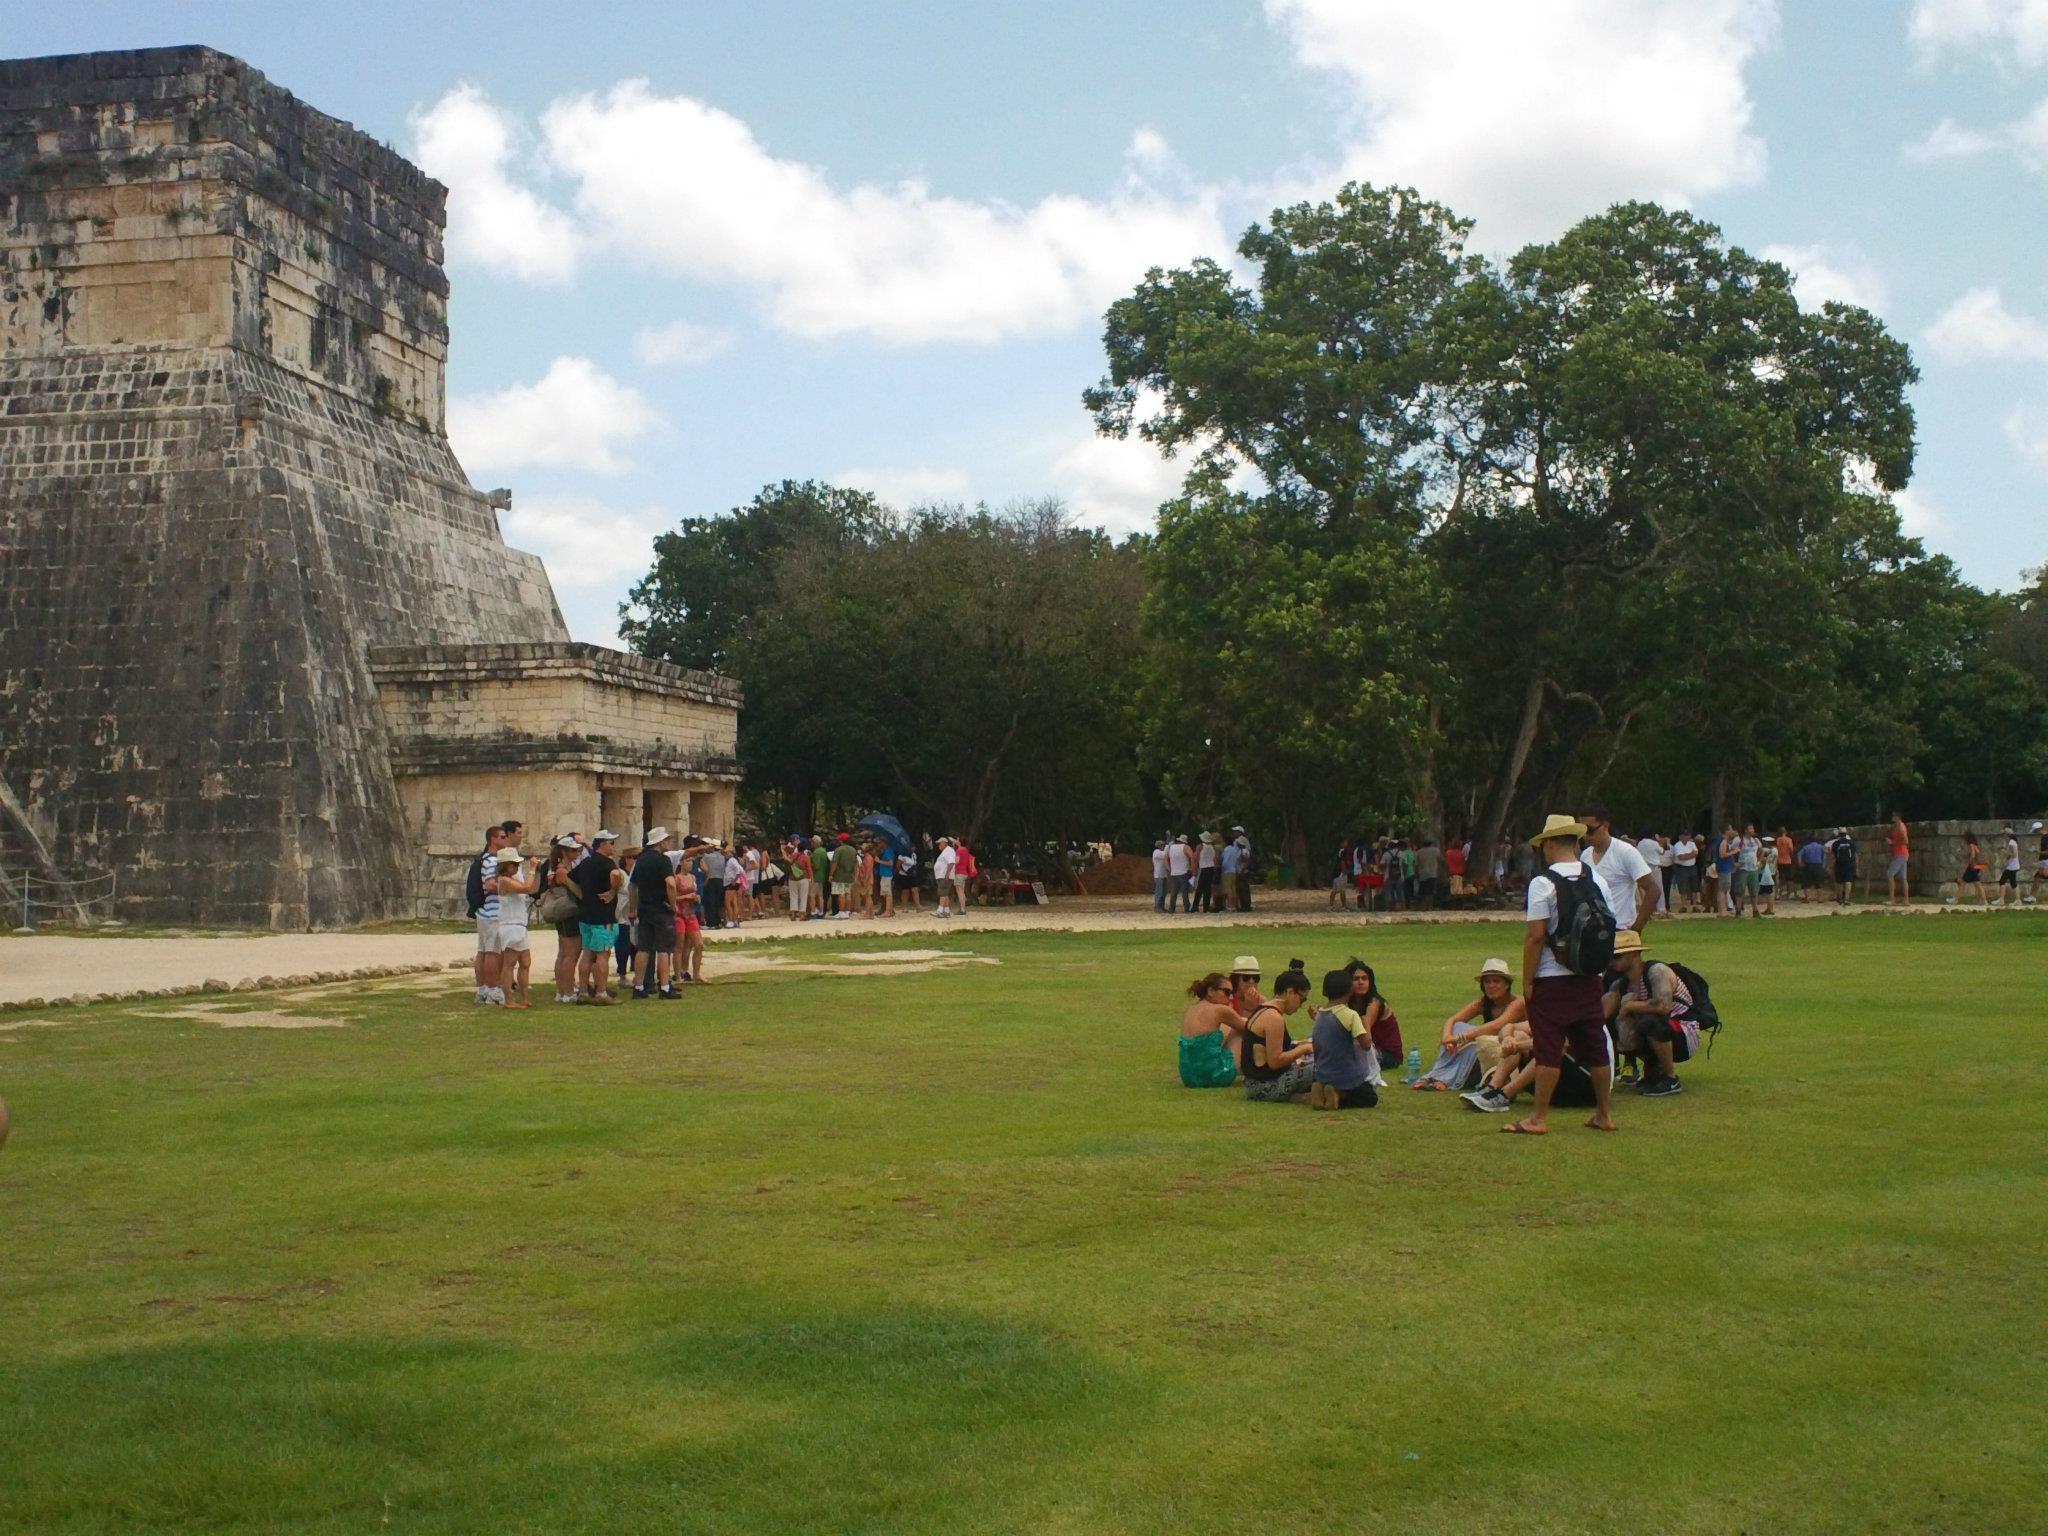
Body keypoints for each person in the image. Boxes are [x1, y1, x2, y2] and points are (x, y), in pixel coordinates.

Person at [1505, 813, 1618, 1135]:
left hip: (1553, 977)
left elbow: (1537, 935)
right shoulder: (1597, 879)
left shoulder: (1543, 883)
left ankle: (1538, 1118)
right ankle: (1604, 1113)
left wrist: (1527, 980)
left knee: (1548, 1046)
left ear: (1550, 844)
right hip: (1588, 975)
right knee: (1594, 1043)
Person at [1604, 930, 1700, 1097]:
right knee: (1616, 1023)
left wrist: (1630, 1006)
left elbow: (1663, 1007)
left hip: (1684, 1033)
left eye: (1617, 956)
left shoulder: (1656, 971)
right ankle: (1654, 1070)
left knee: (1650, 1021)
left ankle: (1671, 1078)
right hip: (1659, 1031)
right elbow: (1602, 1013)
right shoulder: (1621, 984)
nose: (1612, 962)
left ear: (1634, 954)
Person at [1416, 956, 1525, 1093]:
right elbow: (1453, 1020)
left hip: (1513, 1052)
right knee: (1459, 1027)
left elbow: (1498, 1026)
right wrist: (1447, 1038)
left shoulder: (1518, 1004)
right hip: (1489, 1049)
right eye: (1487, 982)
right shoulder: (1482, 1004)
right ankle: (1436, 1075)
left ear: (1507, 984)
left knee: (1477, 1042)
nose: (1491, 986)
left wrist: (1461, 1038)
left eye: (1496, 981)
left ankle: (1447, 1080)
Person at [1238, 966, 1315, 1102]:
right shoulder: (1274, 1018)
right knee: (1323, 1066)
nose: (1300, 1006)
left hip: (1255, 1084)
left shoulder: (1263, 1010)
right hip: (1265, 1087)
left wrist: (1300, 1044)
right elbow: (1275, 1061)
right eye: (1301, 1000)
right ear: (1290, 992)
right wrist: (1304, 1048)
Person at [1581, 805, 1658, 935]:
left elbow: (1653, 890)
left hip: (1620, 929)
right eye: (1582, 830)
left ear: (1605, 826)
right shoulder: (1585, 855)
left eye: (1590, 830)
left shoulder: (1625, 852)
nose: (1585, 835)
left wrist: (1636, 929)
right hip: (1593, 930)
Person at [1309, 969, 1380, 1110]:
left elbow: (1316, 1046)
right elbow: (1366, 1045)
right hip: (1346, 1075)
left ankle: (1322, 1088)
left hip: (1323, 1073)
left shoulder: (1320, 1016)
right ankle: (1338, 1095)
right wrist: (1365, 1024)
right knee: (1370, 1097)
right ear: (1350, 991)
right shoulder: (1350, 1015)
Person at [570, 831, 625, 1004]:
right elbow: (616, 875)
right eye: (611, 843)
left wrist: (582, 896)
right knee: (603, 953)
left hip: (586, 913)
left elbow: (570, 879)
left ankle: (584, 991)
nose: (613, 847)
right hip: (603, 915)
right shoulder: (607, 863)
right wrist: (613, 890)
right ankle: (601, 992)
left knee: (587, 952)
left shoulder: (586, 862)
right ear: (602, 844)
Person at [629, 827, 678, 1000]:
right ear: (660, 842)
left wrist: (632, 908)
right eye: (666, 840)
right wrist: (674, 905)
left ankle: (639, 985)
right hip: (661, 908)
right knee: (664, 949)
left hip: (644, 909)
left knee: (643, 948)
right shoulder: (663, 860)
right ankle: (664, 987)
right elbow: (671, 884)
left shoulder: (640, 860)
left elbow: (632, 885)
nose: (669, 843)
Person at [467, 821, 510, 1005]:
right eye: (502, 837)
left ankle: (483, 988)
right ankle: (493, 989)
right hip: (493, 912)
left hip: (483, 912)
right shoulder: (493, 860)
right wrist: (509, 885)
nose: (505, 839)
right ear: (493, 839)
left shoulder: (483, 859)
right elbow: (490, 884)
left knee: (483, 951)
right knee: (493, 952)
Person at [491, 846, 538, 1009]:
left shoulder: (512, 878)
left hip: (519, 925)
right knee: (509, 963)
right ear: (506, 865)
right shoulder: (504, 880)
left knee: (525, 962)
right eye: (514, 864)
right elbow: (526, 888)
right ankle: (509, 1000)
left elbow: (528, 887)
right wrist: (532, 869)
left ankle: (525, 997)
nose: (517, 867)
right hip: (510, 925)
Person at [1179, 973, 1241, 1087]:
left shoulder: (1192, 1009)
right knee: (1241, 1032)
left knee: (1229, 1028)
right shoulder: (1219, 1010)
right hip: (1212, 1077)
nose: (1231, 997)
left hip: (1188, 1077)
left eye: (1232, 993)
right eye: (1227, 992)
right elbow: (1251, 1026)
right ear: (1211, 991)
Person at [1343, 959, 1402, 1071]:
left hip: (1386, 1055)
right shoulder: (1349, 1001)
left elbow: (1362, 1031)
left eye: (1364, 978)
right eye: (1356, 979)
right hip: (1365, 1048)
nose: (1361, 982)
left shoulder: (1375, 1003)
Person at [546, 835, 585, 1003]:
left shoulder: (556, 867)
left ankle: (561, 991)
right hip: (569, 912)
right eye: (573, 850)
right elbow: (576, 891)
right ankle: (567, 991)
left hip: (563, 912)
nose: (577, 852)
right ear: (564, 851)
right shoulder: (562, 869)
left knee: (563, 953)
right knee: (570, 954)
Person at [1949, 830, 1990, 907]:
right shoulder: (1975, 845)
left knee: (1963, 883)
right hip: (1977, 866)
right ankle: (1984, 901)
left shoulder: (1971, 845)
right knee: (1978, 884)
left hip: (1972, 867)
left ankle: (1955, 900)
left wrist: (1970, 862)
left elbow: (1973, 855)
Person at [1733, 822, 1763, 920]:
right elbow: (1731, 851)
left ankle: (1755, 911)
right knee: (1740, 890)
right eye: (1750, 828)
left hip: (1753, 869)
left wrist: (1759, 861)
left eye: (1752, 828)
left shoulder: (1756, 840)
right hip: (1743, 869)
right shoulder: (1739, 840)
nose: (1752, 830)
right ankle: (1738, 911)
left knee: (1754, 891)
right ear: (1745, 830)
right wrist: (1735, 863)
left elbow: (1761, 850)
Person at [1670, 831, 1699, 914]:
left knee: (1694, 887)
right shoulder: (1677, 845)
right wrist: (1690, 854)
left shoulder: (1691, 843)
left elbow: (1696, 853)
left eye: (1688, 835)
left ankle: (1695, 906)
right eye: (1685, 835)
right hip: (1682, 868)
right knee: (1683, 887)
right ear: (1681, 836)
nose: (1687, 837)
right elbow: (1681, 857)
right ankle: (1683, 906)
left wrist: (1687, 855)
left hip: (1692, 867)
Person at [1886, 812, 1912, 906]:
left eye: (1893, 816)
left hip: (1901, 854)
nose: (1892, 817)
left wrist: (1892, 843)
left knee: (1890, 874)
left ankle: (1892, 899)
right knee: (1903, 878)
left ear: (1897, 817)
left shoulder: (1901, 827)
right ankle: (1906, 900)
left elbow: (1906, 841)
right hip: (1900, 854)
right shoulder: (1896, 826)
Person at [1828, 827, 1858, 906]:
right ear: (1846, 834)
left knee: (1839, 882)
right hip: (1850, 864)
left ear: (1839, 834)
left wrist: (1831, 865)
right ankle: (1847, 899)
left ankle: (1840, 899)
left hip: (1839, 864)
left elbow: (1833, 855)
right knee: (1848, 881)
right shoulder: (1851, 843)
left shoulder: (1836, 843)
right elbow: (1855, 855)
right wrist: (1856, 865)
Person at [1997, 826, 2024, 908]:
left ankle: (2015, 900)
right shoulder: (2012, 841)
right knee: (2007, 882)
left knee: (2008, 882)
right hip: (2012, 866)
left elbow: (2014, 854)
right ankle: (2003, 899)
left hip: (2012, 866)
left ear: (2007, 835)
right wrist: (2006, 853)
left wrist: (2004, 852)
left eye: (2004, 835)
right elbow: (2011, 854)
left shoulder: (2011, 842)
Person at [1194, 832, 1220, 913]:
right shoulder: (1213, 847)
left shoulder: (1200, 847)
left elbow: (1196, 858)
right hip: (1211, 868)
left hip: (1203, 868)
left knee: (1199, 888)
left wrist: (1195, 869)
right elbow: (1215, 859)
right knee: (1208, 889)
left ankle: (1195, 906)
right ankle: (1206, 907)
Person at [932, 837, 959, 917]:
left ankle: (940, 910)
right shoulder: (946, 851)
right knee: (945, 893)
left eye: (940, 843)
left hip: (944, 876)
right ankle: (946, 911)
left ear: (944, 843)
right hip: (942, 875)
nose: (938, 845)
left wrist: (947, 874)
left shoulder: (948, 851)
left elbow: (951, 863)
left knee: (942, 893)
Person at [1798, 833, 1827, 900]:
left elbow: (1799, 854)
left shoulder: (1806, 847)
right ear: (1817, 840)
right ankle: (1820, 898)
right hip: (1818, 865)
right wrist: (1823, 866)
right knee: (1819, 882)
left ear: (1809, 840)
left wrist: (1800, 863)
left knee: (1806, 883)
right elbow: (1824, 857)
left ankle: (1807, 897)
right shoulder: (1821, 847)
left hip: (1808, 865)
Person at [1232, 826, 1254, 911]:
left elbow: (1247, 857)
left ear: (1240, 832)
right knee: (1242, 888)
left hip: (1242, 869)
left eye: (1235, 831)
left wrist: (1242, 869)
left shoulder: (1241, 840)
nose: (1234, 833)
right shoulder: (1238, 841)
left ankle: (1245, 906)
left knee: (1243, 888)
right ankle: (1244, 906)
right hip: (1239, 868)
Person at [1219, 835, 1242, 912]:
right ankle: (1234, 906)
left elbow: (1225, 861)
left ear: (1225, 842)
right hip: (1233, 871)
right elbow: (1236, 862)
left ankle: (1229, 906)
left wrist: (1222, 868)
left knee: (1228, 890)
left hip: (1227, 872)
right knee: (1233, 889)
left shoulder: (1226, 850)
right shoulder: (1234, 850)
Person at [1758, 834, 1780, 915]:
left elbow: (1765, 860)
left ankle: (1770, 909)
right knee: (1770, 891)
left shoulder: (1770, 851)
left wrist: (1761, 854)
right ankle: (1769, 908)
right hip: (1771, 871)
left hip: (1768, 872)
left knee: (1769, 892)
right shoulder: (1774, 850)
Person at [876, 839, 897, 917]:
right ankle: (890, 911)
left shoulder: (888, 851)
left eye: (879, 842)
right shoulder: (886, 851)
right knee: (885, 893)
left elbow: (890, 863)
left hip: (887, 875)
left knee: (887, 893)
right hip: (884, 874)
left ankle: (888, 912)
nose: (878, 844)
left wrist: (879, 861)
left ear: (883, 843)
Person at [2030, 821, 2047, 905]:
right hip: (2043, 860)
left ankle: (2033, 897)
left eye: (2035, 831)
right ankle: (2032, 896)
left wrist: (2037, 851)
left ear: (2038, 829)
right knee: (2037, 877)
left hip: (2046, 861)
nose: (2035, 833)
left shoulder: (2046, 837)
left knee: (2041, 876)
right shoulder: (2044, 837)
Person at [1153, 841, 1171, 911]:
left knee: (1164, 892)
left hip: (1163, 875)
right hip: (1158, 875)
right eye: (1162, 845)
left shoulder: (1161, 852)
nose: (1163, 846)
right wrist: (1168, 846)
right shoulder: (1156, 852)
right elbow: (1165, 854)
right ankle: (1157, 907)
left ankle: (1161, 906)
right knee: (1159, 891)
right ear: (1159, 846)